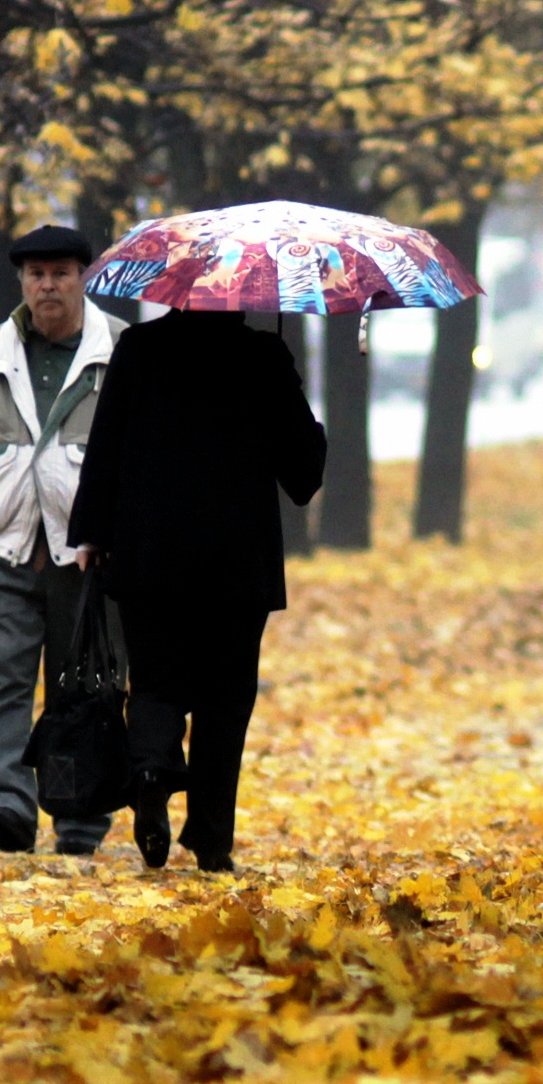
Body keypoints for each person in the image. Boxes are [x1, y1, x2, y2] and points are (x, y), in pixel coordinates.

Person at [68, 310, 326, 872]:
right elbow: (304, 476)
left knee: (156, 683)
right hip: (237, 563)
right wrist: (297, 402)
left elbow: (105, 443)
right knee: (225, 700)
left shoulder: (138, 348)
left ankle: (154, 770)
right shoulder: (263, 356)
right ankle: (211, 842)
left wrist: (90, 532)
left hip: (148, 554)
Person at [0, 226, 127, 856]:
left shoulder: (120, 351)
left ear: (82, 278)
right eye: (37, 274)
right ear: (22, 281)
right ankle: (8, 802)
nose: (48, 285)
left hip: (90, 559)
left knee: (85, 688)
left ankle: (79, 816)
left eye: (61, 273)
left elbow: (138, 461)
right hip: (7, 551)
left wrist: (122, 537)